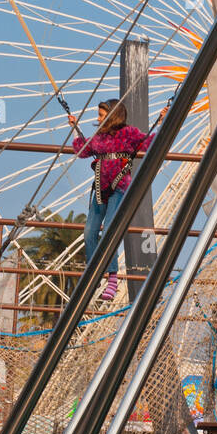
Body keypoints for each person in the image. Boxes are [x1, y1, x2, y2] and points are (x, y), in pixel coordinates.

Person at [67, 99, 160, 301]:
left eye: (101, 115)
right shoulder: (99, 138)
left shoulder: (128, 134)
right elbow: (83, 150)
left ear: (112, 116)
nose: (98, 119)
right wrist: (75, 128)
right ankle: (94, 273)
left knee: (109, 230)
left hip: (119, 187)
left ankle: (111, 277)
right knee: (89, 231)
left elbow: (148, 141)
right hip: (100, 187)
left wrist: (162, 121)